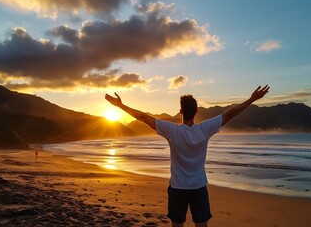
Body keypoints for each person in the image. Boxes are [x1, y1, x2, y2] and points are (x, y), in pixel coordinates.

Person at [105, 85, 270, 227]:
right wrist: (251, 99)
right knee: (201, 224)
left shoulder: (172, 131)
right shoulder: (204, 129)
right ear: (197, 111)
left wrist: (121, 106)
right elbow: (229, 114)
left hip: (177, 187)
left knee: (177, 224)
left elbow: (143, 117)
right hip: (199, 187)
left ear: (180, 111)